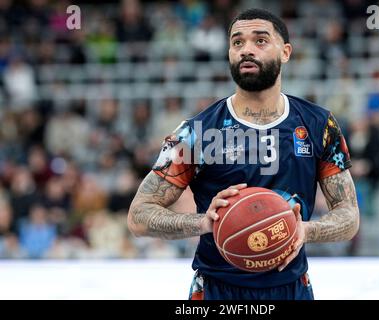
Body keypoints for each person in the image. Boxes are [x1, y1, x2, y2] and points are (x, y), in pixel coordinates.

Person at [127, 8, 359, 300]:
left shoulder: (319, 124)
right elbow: (138, 215)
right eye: (237, 42)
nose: (246, 49)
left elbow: (350, 216)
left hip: (291, 288)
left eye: (260, 41)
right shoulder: (196, 132)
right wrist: (201, 222)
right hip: (216, 289)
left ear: (285, 52)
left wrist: (305, 230)